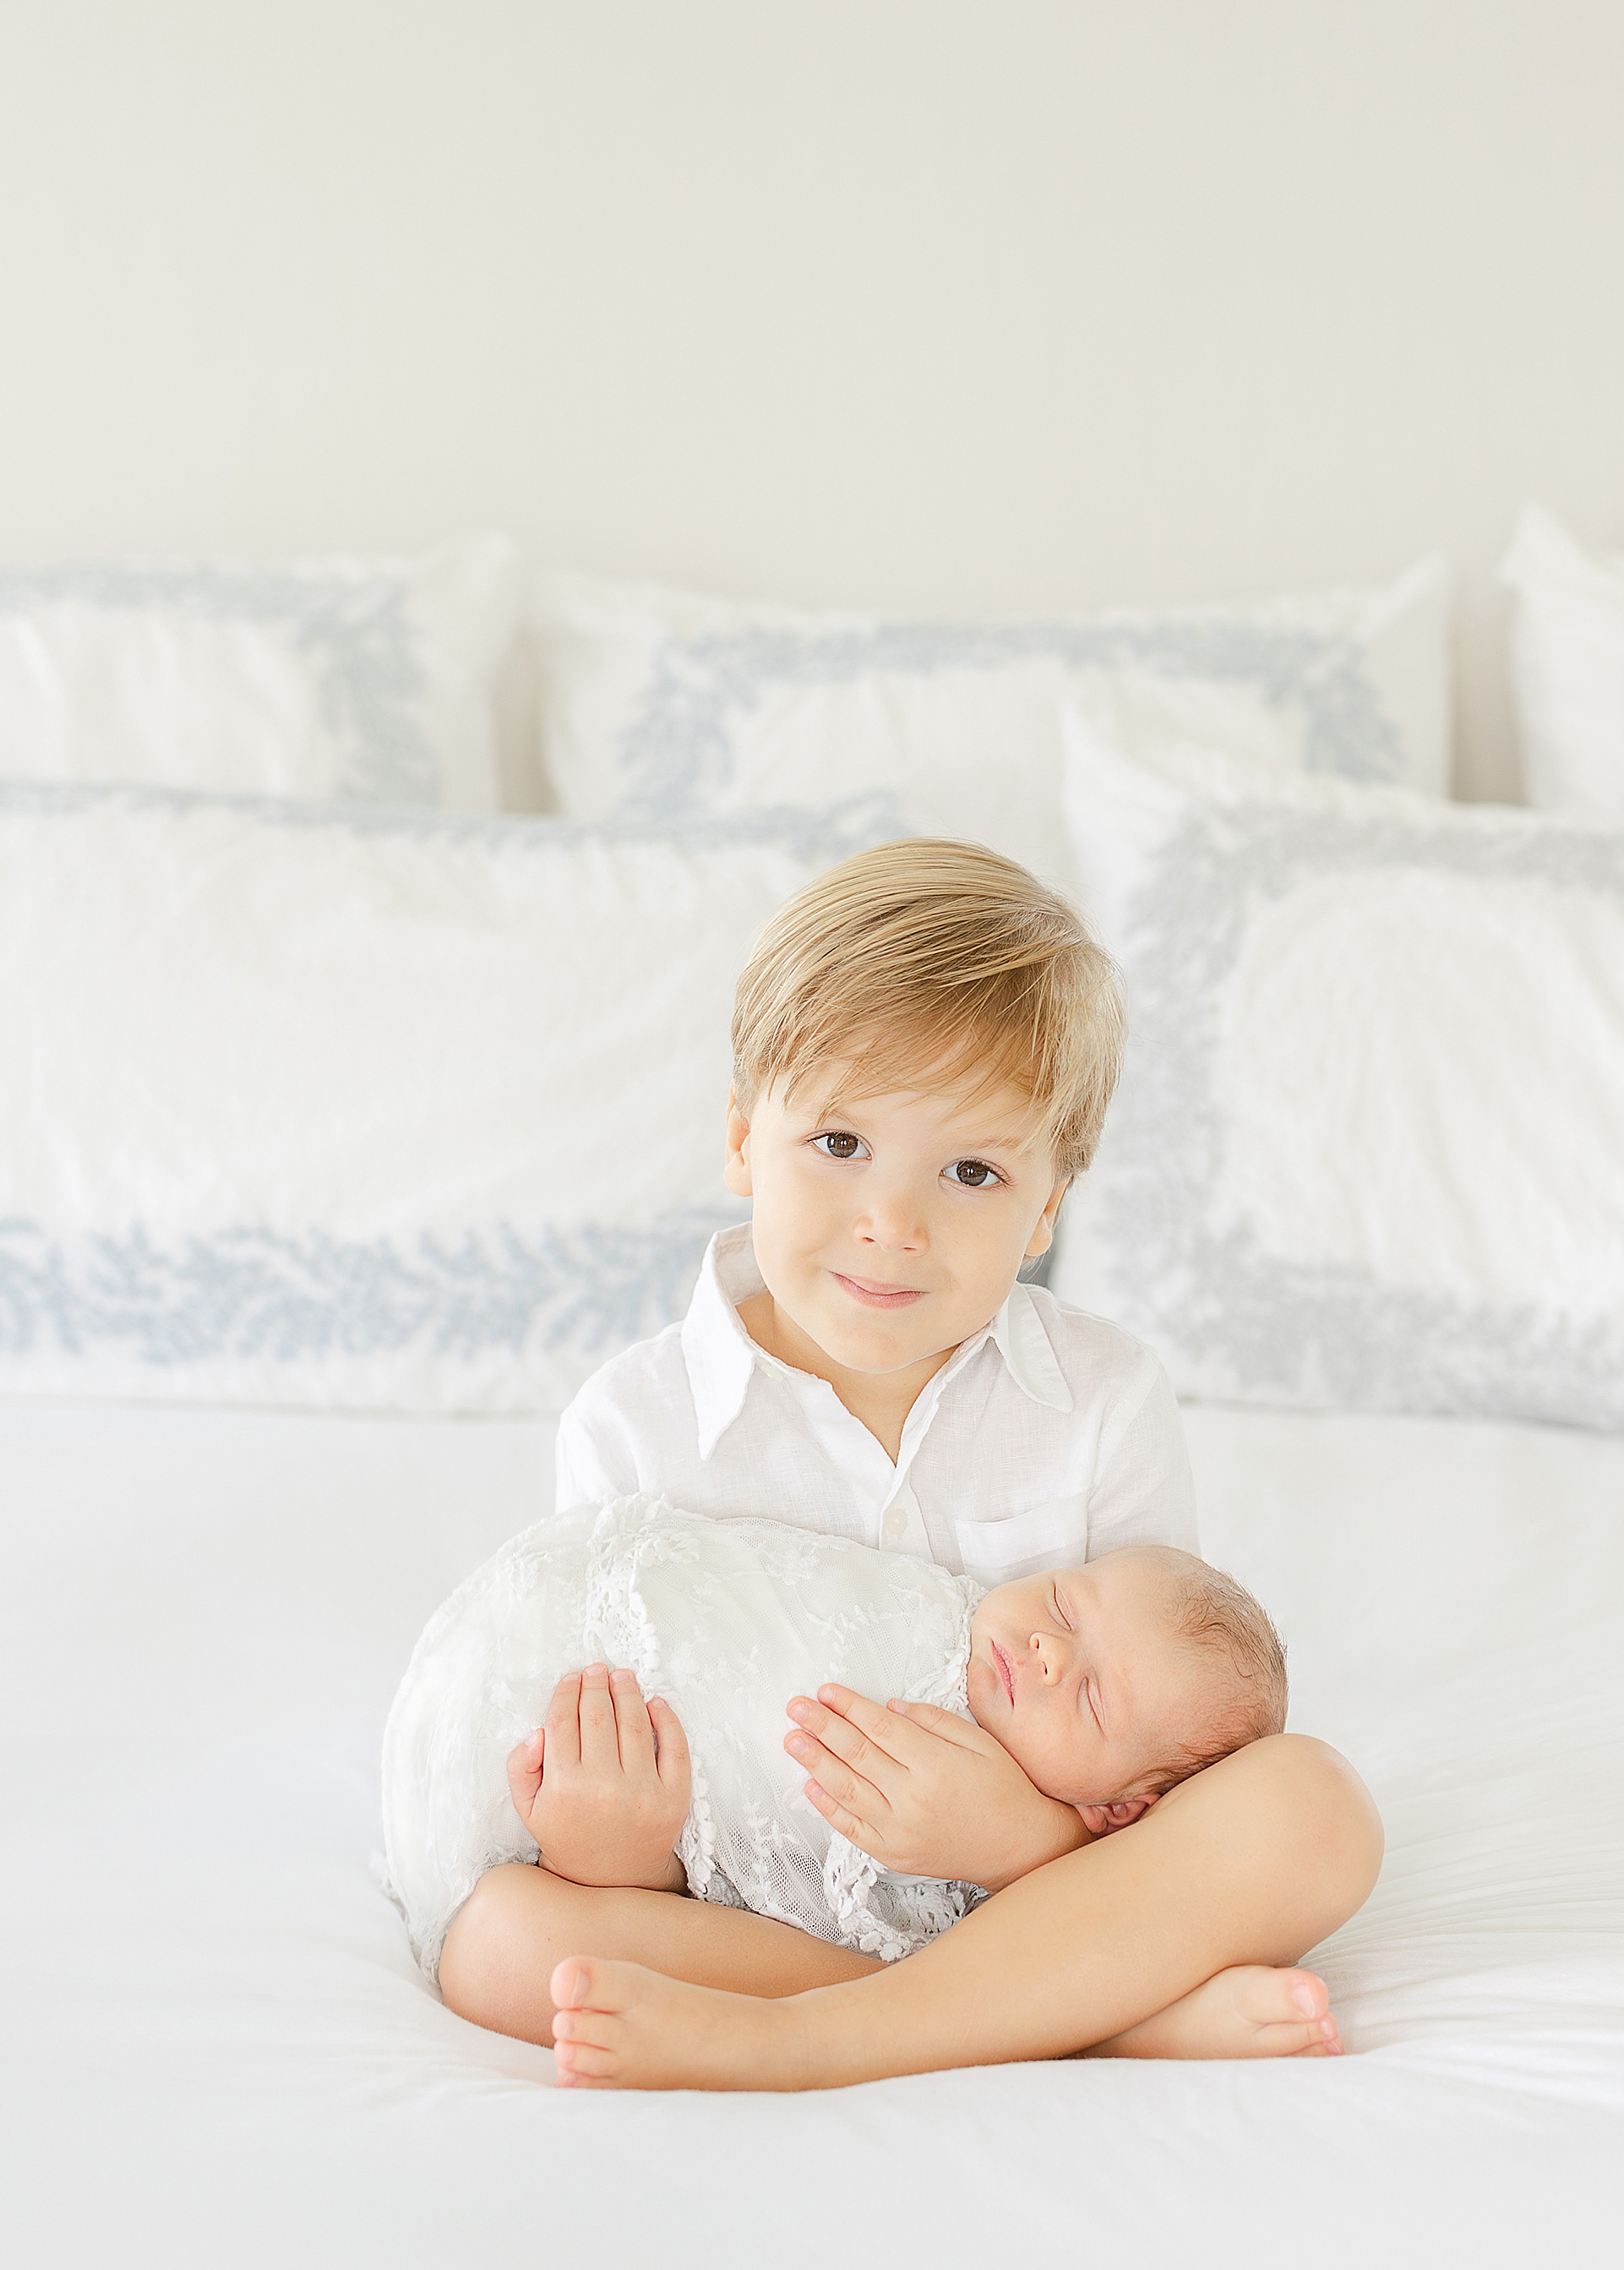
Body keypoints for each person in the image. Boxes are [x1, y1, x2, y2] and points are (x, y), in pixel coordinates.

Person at [438, 840, 1382, 2071]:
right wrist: (614, 1845)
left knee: (1314, 1808)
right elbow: (616, 1802)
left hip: (1034, 1893)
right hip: (751, 1910)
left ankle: (815, 2042)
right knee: (500, 1942)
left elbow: (1167, 1760)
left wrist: (1020, 1840)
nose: (894, 1222)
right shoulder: (632, 1427)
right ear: (740, 1140)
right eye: (839, 1144)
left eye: (973, 1171)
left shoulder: (1103, 1400)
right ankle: (1099, 2022)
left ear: (1045, 1211)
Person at [386, 1492, 1294, 1980]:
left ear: (1120, 1806)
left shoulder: (1047, 1855)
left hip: (629, 1881)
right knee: (496, 1942)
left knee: (499, 1951)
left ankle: (1014, 2009)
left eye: (1091, 1694)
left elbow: (781, 1895)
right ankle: (1092, 2022)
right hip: (561, 1732)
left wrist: (629, 1869)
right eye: (1063, 1600)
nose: (1048, 1648)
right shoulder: (932, 1620)